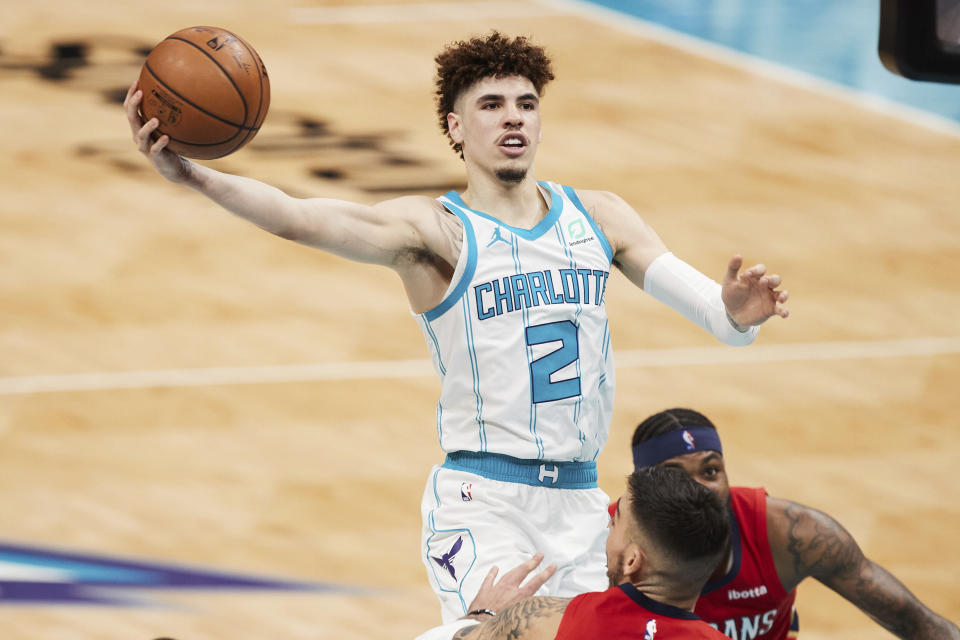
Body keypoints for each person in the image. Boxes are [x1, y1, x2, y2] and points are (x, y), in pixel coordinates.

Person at [124, 31, 789, 621]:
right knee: (498, 632)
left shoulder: (601, 217)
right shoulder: (434, 232)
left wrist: (737, 313)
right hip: (486, 501)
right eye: (492, 106)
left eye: (526, 105)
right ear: (455, 127)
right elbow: (300, 216)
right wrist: (193, 176)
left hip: (587, 505)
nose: (513, 119)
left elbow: (717, 315)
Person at [630, 408, 960, 639]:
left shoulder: (792, 535)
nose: (700, 488)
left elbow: (915, 621)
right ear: (646, 489)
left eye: (711, 471)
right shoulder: (610, 542)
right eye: (676, 476)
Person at [416, 466, 733, 640]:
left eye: (614, 521)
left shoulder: (545, 622)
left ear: (634, 560)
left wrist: (481, 616)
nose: (606, 530)